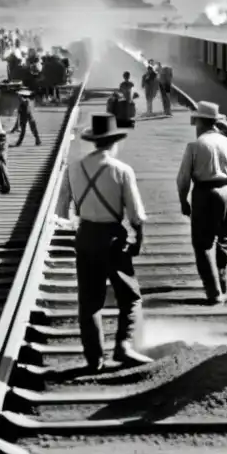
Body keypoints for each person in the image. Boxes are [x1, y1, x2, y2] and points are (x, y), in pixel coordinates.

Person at [55, 113, 152, 371]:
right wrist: (138, 239)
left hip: (85, 236)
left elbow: (62, 211)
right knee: (130, 297)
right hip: (112, 237)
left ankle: (94, 358)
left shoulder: (74, 168)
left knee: (89, 301)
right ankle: (124, 347)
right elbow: (136, 215)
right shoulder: (121, 170)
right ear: (113, 142)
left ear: (94, 141)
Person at [175, 102, 227, 305]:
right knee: (224, 241)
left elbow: (183, 179)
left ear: (201, 122)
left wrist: (183, 201)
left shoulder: (195, 146)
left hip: (204, 194)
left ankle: (214, 293)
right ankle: (223, 283)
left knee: (202, 245)